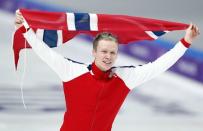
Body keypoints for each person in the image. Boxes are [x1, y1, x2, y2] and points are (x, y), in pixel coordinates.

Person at [15, 11, 200, 131]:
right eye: (104, 51)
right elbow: (44, 52)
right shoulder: (71, 70)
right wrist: (25, 30)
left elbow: (158, 66)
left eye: (113, 52)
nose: (108, 56)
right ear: (94, 52)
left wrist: (186, 42)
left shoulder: (125, 77)